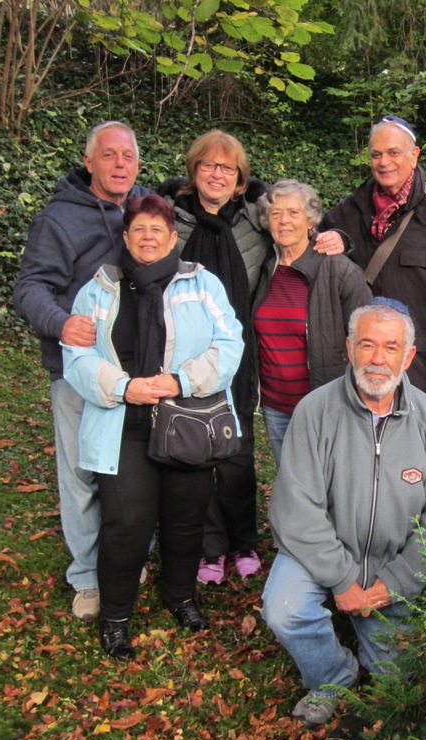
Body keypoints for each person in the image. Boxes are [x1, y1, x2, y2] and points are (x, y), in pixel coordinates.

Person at [262, 298, 426, 729]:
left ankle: (375, 633)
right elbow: (297, 507)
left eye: (391, 348)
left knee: (397, 681)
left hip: (393, 560)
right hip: (322, 555)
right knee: (284, 608)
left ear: (408, 356)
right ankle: (332, 675)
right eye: (367, 344)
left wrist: (397, 581)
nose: (377, 359)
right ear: (349, 348)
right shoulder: (314, 411)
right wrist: (342, 580)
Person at [62, 194, 244, 658]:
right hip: (122, 423)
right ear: (125, 237)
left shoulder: (202, 285)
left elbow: (230, 344)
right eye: (139, 228)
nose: (148, 236)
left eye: (157, 229)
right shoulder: (98, 290)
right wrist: (124, 387)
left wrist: (180, 380)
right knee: (127, 524)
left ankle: (181, 598)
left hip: (187, 421)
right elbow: (77, 358)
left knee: (185, 521)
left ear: (171, 238)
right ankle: (116, 618)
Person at [12, 121, 151, 619]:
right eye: (109, 155)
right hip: (78, 369)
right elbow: (29, 288)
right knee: (82, 474)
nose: (119, 165)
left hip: (136, 371)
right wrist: (60, 322)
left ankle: (129, 554)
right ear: (89, 161)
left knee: (132, 469)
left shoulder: (147, 208)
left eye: (128, 156)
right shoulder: (59, 220)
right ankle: (89, 576)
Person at [315, 115, 426, 404]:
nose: (384, 162)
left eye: (393, 152)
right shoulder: (349, 211)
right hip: (364, 374)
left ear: (414, 155)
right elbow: (308, 249)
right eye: (376, 154)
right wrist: (336, 237)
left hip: (425, 378)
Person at [165, 130, 269, 586]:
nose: (217, 174)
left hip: (239, 358)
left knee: (237, 456)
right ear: (194, 170)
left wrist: (334, 237)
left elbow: (305, 224)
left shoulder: (254, 223)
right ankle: (209, 547)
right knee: (195, 451)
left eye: (227, 168)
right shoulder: (172, 219)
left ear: (241, 179)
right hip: (186, 357)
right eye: (208, 165)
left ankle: (243, 540)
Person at [253, 179, 373, 466]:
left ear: (311, 221)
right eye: (276, 213)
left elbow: (368, 337)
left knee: (332, 484)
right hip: (276, 405)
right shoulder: (262, 269)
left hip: (326, 404)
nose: (284, 221)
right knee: (293, 484)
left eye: (293, 213)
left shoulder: (338, 269)